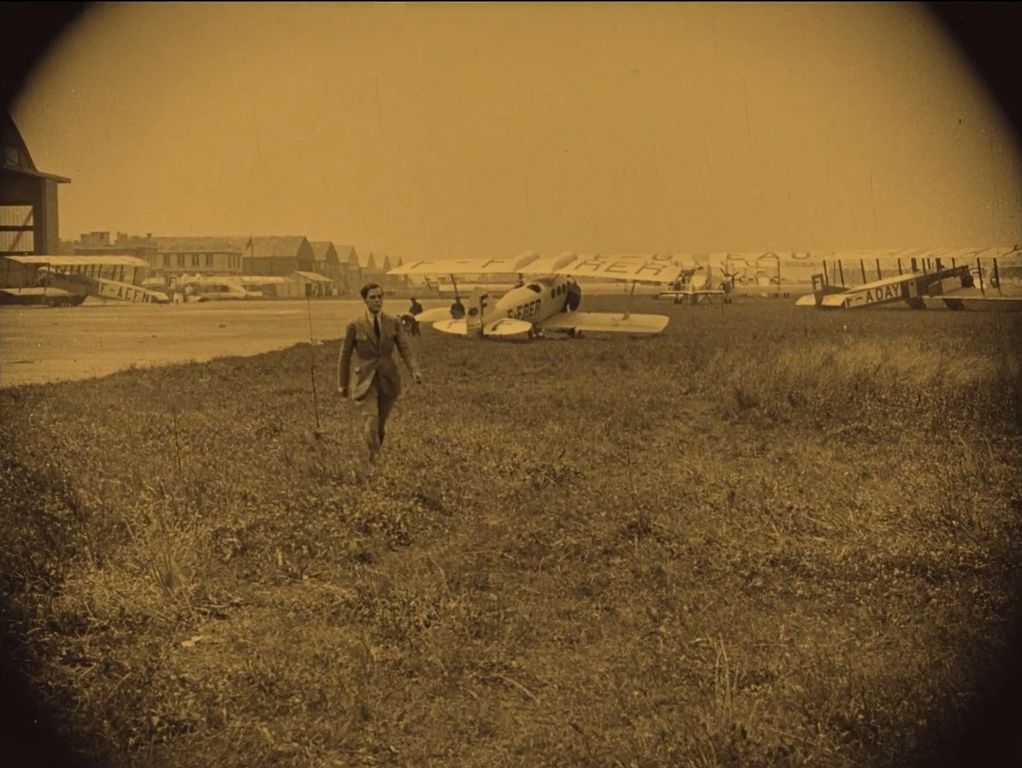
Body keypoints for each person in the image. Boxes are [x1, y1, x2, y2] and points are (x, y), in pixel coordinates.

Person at [338, 283, 423, 465]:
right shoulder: (354, 325)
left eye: (379, 297)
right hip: (365, 381)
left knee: (380, 425)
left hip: (388, 379)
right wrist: (342, 384)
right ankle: (375, 460)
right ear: (364, 300)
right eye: (372, 297)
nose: (377, 301)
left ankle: (374, 455)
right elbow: (345, 355)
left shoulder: (393, 323)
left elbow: (405, 348)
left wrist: (414, 370)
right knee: (371, 419)